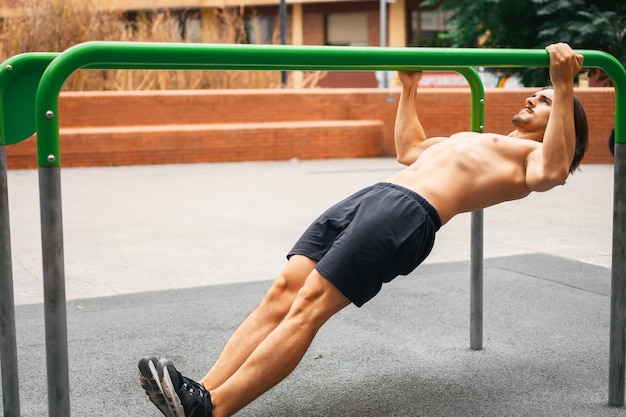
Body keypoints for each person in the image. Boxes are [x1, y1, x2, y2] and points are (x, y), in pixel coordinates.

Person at [138, 43, 588, 417]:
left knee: (310, 306)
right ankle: (200, 391)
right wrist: (410, 88)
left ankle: (215, 409)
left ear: (563, 121)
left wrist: (565, 86)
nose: (533, 98)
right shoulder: (477, 139)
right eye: (539, 93)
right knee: (283, 290)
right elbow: (410, 149)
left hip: (408, 213)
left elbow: (552, 171)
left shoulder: (533, 160)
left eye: (546, 100)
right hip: (374, 196)